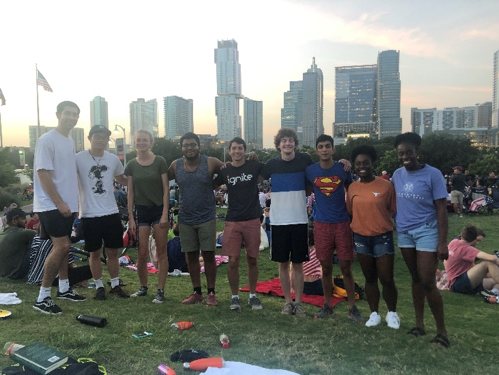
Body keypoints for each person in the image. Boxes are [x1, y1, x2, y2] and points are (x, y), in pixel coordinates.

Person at [392, 132, 449, 348]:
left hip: (427, 230)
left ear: (417, 153)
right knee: (415, 278)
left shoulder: (433, 174)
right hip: (405, 232)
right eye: (401, 153)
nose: (405, 156)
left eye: (408, 152)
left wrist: (442, 242)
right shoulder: (397, 175)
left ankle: (442, 330)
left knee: (427, 280)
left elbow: (442, 209)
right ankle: (419, 324)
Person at [32, 101, 85, 315]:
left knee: (65, 247)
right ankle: (43, 297)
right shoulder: (47, 140)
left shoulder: (69, 140)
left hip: (66, 205)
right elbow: (43, 173)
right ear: (58, 114)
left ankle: (64, 288)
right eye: (68, 114)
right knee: (61, 246)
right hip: (50, 204)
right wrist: (60, 203)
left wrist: (72, 204)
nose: (72, 118)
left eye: (75, 114)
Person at [305, 134, 363, 322]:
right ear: (316, 150)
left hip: (342, 223)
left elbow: (353, 190)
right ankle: (327, 305)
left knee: (346, 266)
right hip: (321, 224)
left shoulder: (342, 168)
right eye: (320, 146)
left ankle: (352, 308)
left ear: (333, 149)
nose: (324, 149)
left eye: (327, 146)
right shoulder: (310, 170)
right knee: (325, 267)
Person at [260, 128, 313, 317]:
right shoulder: (271, 164)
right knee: (282, 263)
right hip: (279, 221)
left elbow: (314, 179)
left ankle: (298, 303)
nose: (288, 144)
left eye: (291, 141)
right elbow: (255, 176)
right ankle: (287, 303)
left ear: (295, 144)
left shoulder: (304, 160)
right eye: (284, 141)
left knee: (298, 264)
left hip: (299, 219)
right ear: (278, 145)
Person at [168, 132, 224, 306]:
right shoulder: (175, 165)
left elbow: (230, 171)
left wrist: (215, 185)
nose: (189, 148)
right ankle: (197, 292)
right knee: (190, 256)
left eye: (193, 145)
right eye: (186, 145)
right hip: (185, 217)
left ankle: (211, 293)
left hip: (206, 216)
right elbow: (161, 179)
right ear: (181, 148)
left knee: (208, 255)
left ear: (199, 146)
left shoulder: (210, 162)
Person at [346, 145, 399, 329]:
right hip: (361, 237)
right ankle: (374, 313)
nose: (362, 166)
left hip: (382, 237)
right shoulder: (352, 188)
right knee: (369, 278)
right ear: (354, 166)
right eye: (358, 164)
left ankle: (392, 313)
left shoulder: (386, 186)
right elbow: (351, 212)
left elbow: (394, 210)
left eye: (366, 163)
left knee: (386, 278)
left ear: (372, 164)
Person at [76, 125, 130, 300]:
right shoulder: (78, 159)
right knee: (95, 253)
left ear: (108, 140)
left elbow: (121, 178)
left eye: (104, 137)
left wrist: (143, 181)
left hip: (110, 211)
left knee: (113, 251)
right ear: (89, 137)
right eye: (97, 136)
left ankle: (115, 284)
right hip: (89, 213)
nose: (101, 140)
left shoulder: (113, 159)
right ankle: (99, 286)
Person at [214, 137, 264, 311]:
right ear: (229, 151)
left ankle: (252, 295)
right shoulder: (225, 170)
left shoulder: (254, 166)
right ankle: (234, 296)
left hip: (252, 218)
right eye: (234, 148)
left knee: (252, 258)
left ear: (245, 150)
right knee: (233, 260)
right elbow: (212, 185)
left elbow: (270, 171)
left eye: (240, 148)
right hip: (232, 219)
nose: (237, 151)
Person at [126, 129, 170, 303]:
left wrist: (165, 213)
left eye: (145, 140)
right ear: (134, 142)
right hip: (141, 210)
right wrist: (130, 217)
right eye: (138, 140)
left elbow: (166, 189)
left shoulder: (159, 161)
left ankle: (160, 290)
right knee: (142, 252)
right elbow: (130, 192)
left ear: (150, 142)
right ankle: (143, 286)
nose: (141, 143)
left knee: (161, 252)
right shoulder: (131, 164)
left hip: (159, 209)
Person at [445, 226, 499, 298]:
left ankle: (493, 293)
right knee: (488, 263)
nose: (477, 243)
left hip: (457, 282)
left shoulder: (453, 242)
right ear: (473, 239)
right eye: (477, 240)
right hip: (459, 283)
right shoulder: (466, 248)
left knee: (495, 279)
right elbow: (493, 258)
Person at [27, 235, 93, 287]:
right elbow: (69, 265)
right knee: (92, 269)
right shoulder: (62, 242)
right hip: (51, 278)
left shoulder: (36, 239)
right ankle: (74, 282)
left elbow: (32, 259)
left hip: (33, 276)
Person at [0, 208, 36, 279]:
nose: (26, 221)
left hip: (2, 272)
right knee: (38, 243)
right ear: (14, 221)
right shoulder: (23, 233)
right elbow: (42, 235)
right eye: (23, 219)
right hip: (14, 274)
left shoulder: (2, 231)